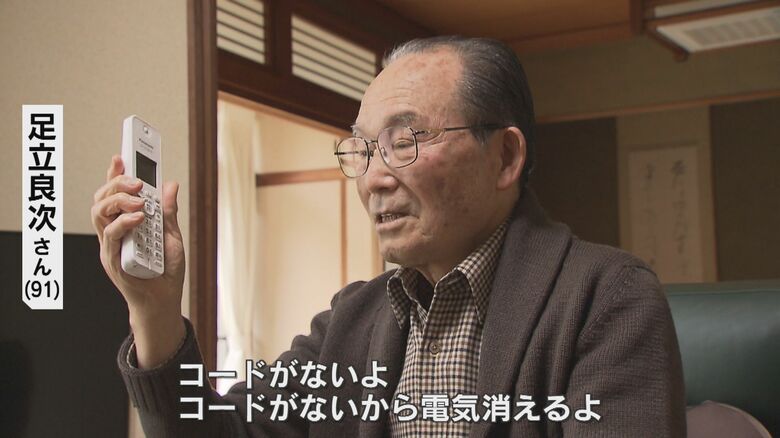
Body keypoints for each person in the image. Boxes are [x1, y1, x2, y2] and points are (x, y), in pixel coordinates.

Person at [91, 36, 685, 437]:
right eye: (363, 149)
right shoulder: (355, 318)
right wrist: (155, 308)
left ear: (505, 157)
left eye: (404, 142)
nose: (374, 178)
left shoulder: (606, 297)